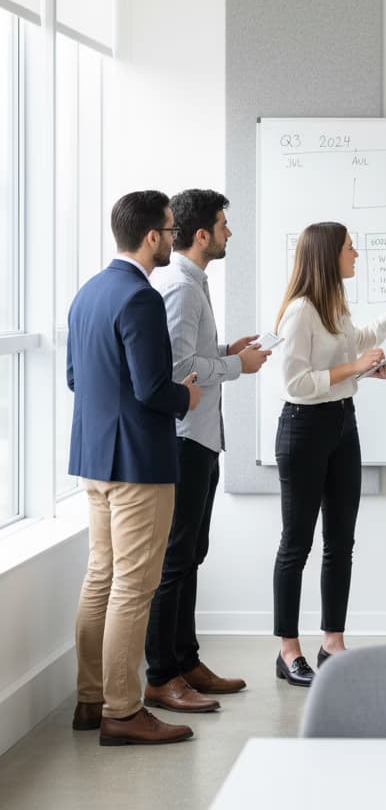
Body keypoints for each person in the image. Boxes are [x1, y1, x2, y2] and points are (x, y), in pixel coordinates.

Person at [272, 222, 386, 685]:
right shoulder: (300, 312)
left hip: (343, 423)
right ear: (327, 255)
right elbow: (295, 384)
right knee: (296, 544)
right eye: (349, 247)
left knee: (341, 542)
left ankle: (332, 643)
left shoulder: (333, 305)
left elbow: (356, 343)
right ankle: (288, 651)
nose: (356, 254)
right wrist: (353, 369)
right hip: (304, 430)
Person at [68, 191, 202, 746]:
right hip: (138, 465)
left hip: (93, 460)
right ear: (152, 237)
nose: (173, 239)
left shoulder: (88, 293)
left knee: (100, 578)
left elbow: (78, 379)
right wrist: (185, 399)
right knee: (133, 587)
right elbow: (152, 389)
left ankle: (90, 700)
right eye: (171, 232)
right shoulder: (140, 297)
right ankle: (123, 712)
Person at [143, 190, 271, 714]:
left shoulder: (195, 284)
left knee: (192, 554)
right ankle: (161, 676)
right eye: (223, 225)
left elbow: (193, 355)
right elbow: (176, 372)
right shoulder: (180, 287)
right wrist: (239, 368)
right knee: (175, 559)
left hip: (203, 438)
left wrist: (226, 352)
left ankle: (186, 660)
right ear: (202, 236)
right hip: (185, 440)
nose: (229, 233)